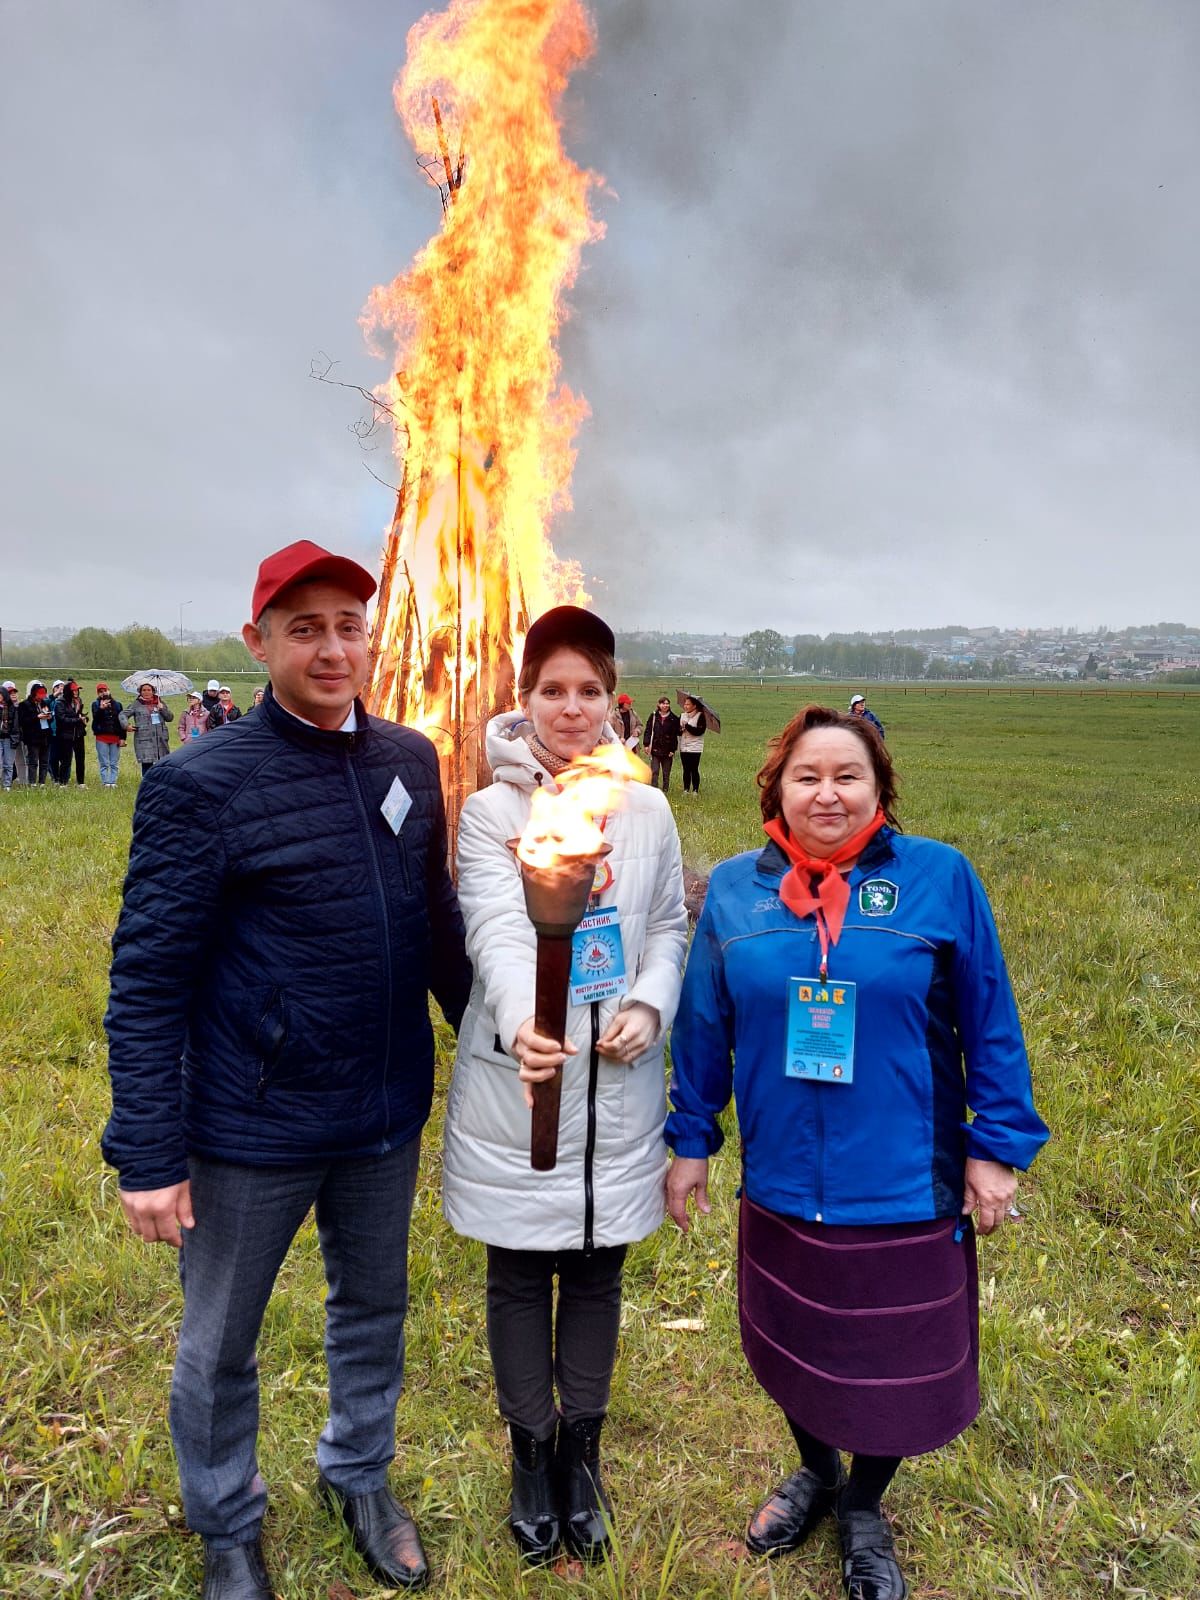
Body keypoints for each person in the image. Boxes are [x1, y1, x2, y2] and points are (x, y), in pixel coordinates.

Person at [103, 538, 472, 1600]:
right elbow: (147, 978)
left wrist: (491, 1041)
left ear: (371, 637)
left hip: (382, 1106)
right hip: (249, 1120)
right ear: (257, 641)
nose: (331, 646)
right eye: (303, 627)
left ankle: (359, 1474)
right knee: (222, 1336)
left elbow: (435, 922)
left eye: (348, 624)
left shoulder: (408, 759)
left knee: (374, 1305)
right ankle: (227, 1525)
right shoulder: (197, 784)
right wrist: (148, 1151)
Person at [665, 704, 1048, 1600]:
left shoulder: (938, 878)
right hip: (783, 1173)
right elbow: (701, 1028)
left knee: (892, 1357)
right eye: (808, 776)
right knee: (798, 1339)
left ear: (880, 789)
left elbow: (991, 1019)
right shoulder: (734, 890)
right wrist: (691, 1141)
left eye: (848, 776)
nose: (827, 793)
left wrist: (995, 1147)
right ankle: (815, 1473)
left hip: (905, 1174)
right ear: (778, 789)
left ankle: (865, 1502)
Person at [442, 605, 687, 1566]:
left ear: (612, 697)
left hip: (618, 1083)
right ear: (525, 698)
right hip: (523, 1080)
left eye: (589, 690)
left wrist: (652, 1004)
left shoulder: (649, 810)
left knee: (595, 1270)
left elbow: (667, 924)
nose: (572, 708)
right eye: (553, 690)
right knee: (518, 1269)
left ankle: (582, 1458)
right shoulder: (491, 813)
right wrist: (521, 1023)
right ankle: (529, 1454)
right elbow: (494, 930)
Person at [122, 683, 175, 775]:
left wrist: (162, 709)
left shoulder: (159, 702)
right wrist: (126, 726)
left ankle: (160, 783)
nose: (146, 692)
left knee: (162, 762)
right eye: (144, 690)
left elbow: (170, 718)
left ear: (153, 691)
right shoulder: (136, 704)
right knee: (147, 763)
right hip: (144, 739)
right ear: (140, 692)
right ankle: (147, 784)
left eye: (149, 690)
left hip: (160, 738)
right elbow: (122, 715)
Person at [52, 680, 88, 785]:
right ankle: (62, 782)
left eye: (77, 690)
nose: (76, 692)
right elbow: (62, 720)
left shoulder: (78, 701)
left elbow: (79, 715)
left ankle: (81, 782)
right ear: (68, 691)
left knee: (80, 759)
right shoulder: (60, 702)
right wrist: (78, 720)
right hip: (66, 735)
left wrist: (84, 718)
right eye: (74, 690)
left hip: (79, 734)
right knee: (66, 760)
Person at [642, 694, 681, 792]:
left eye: (667, 704)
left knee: (666, 772)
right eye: (663, 703)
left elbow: (674, 735)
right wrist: (646, 744)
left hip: (668, 749)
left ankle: (665, 790)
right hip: (655, 748)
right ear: (659, 705)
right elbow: (648, 730)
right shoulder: (654, 716)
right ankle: (654, 790)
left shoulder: (673, 718)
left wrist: (673, 749)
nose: (665, 705)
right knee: (654, 771)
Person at [18, 681, 53, 785]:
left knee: (44, 762)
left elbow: (49, 719)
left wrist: (49, 717)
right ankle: (32, 783)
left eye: (43, 694)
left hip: (45, 736)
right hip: (33, 738)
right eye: (40, 694)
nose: (41, 697)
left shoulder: (44, 703)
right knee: (33, 762)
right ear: (34, 693)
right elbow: (23, 721)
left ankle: (42, 782)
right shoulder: (24, 705)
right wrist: (37, 717)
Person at [92, 683, 127, 788]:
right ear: (98, 693)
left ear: (109, 690)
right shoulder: (95, 704)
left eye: (105, 690)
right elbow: (95, 718)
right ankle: (105, 781)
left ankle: (113, 781)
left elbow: (121, 722)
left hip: (115, 736)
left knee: (114, 761)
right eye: (100, 691)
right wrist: (101, 709)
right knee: (104, 762)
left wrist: (122, 738)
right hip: (102, 736)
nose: (103, 693)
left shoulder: (118, 705)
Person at [677, 696, 707, 795]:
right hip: (684, 746)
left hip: (695, 747)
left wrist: (687, 726)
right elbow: (677, 731)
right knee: (685, 769)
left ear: (694, 706)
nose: (685, 706)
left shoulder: (700, 716)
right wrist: (680, 729)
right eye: (685, 704)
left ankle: (695, 790)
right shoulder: (682, 715)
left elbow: (699, 731)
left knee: (694, 768)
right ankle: (686, 789)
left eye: (688, 704)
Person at [0, 680, 20, 791]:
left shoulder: (12, 708)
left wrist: (15, 739)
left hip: (9, 738)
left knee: (8, 764)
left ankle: (7, 785)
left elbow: (16, 726)